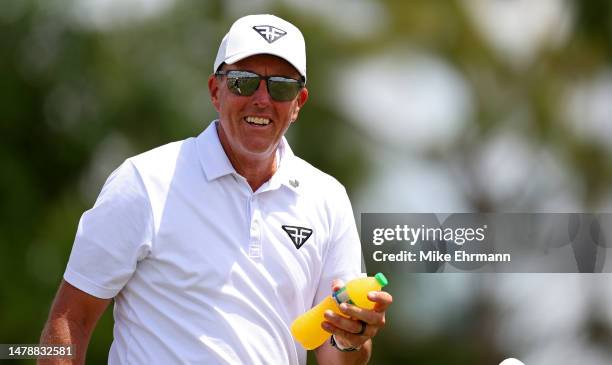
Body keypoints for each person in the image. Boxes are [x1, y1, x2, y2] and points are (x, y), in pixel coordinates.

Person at [40, 14, 392, 365]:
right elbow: (71, 318)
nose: (262, 99)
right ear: (215, 91)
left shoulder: (327, 199)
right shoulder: (144, 181)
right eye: (243, 82)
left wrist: (350, 339)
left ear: (298, 102)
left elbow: (336, 355)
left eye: (281, 86)